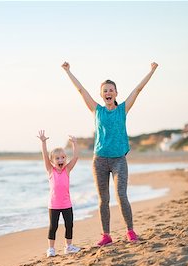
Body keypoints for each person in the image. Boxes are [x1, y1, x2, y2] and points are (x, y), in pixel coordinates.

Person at [61, 61, 159, 246]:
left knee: (122, 195)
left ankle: (130, 231)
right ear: (101, 94)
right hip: (99, 160)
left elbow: (138, 89)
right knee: (103, 199)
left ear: (116, 93)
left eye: (111, 90)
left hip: (119, 160)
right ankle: (106, 235)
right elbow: (81, 90)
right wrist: (68, 71)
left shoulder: (123, 109)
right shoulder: (96, 110)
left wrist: (151, 71)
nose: (108, 93)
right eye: (105, 90)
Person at [37, 130, 81, 257]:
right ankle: (51, 249)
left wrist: (75, 143)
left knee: (69, 225)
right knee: (53, 227)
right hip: (54, 205)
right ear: (52, 161)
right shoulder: (50, 170)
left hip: (67, 204)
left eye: (63, 157)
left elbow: (76, 157)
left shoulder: (67, 169)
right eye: (57, 158)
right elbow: (44, 156)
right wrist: (43, 142)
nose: (61, 160)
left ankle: (69, 246)